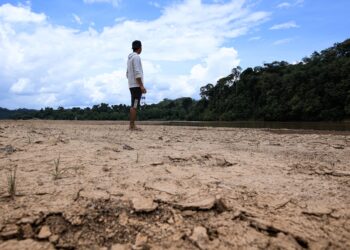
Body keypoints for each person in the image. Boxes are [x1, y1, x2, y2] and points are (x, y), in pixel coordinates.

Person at [126, 40, 147, 130]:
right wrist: (141, 86)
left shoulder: (129, 59)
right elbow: (137, 73)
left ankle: (132, 125)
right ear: (140, 47)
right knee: (134, 106)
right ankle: (132, 125)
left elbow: (127, 73)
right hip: (136, 86)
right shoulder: (136, 57)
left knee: (133, 105)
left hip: (131, 85)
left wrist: (132, 82)